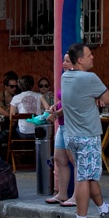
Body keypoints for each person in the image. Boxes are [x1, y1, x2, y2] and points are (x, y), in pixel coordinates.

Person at [62, 42, 109, 218]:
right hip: (87, 136)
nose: (93, 57)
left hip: (72, 135)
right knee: (84, 177)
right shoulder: (90, 78)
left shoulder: (65, 77)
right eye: (89, 54)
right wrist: (96, 97)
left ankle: (103, 209)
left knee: (90, 174)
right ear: (81, 60)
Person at [45, 53, 76, 207]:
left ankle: (77, 195)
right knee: (60, 158)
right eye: (63, 60)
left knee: (74, 160)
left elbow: (72, 101)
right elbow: (63, 98)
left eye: (67, 61)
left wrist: (58, 112)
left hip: (70, 124)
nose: (63, 63)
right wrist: (55, 106)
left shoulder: (76, 79)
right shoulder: (65, 77)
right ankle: (62, 193)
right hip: (62, 124)